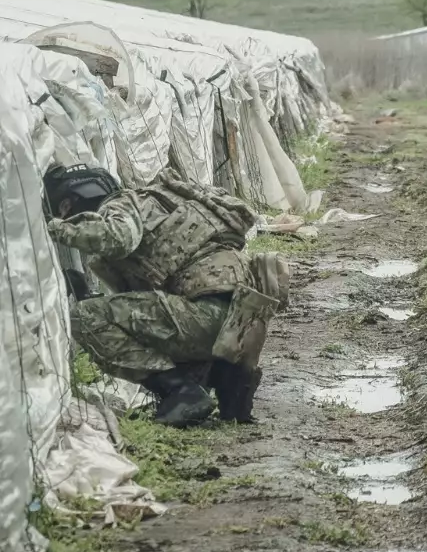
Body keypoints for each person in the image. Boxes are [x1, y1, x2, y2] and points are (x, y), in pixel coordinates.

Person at [44, 163, 289, 427]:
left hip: (205, 316)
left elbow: (118, 238)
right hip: (241, 322)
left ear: (74, 200)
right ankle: (227, 377)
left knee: (83, 318)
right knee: (113, 315)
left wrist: (55, 228)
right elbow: (142, 308)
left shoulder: (121, 205)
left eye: (65, 209)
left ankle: (181, 390)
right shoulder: (158, 204)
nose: (68, 215)